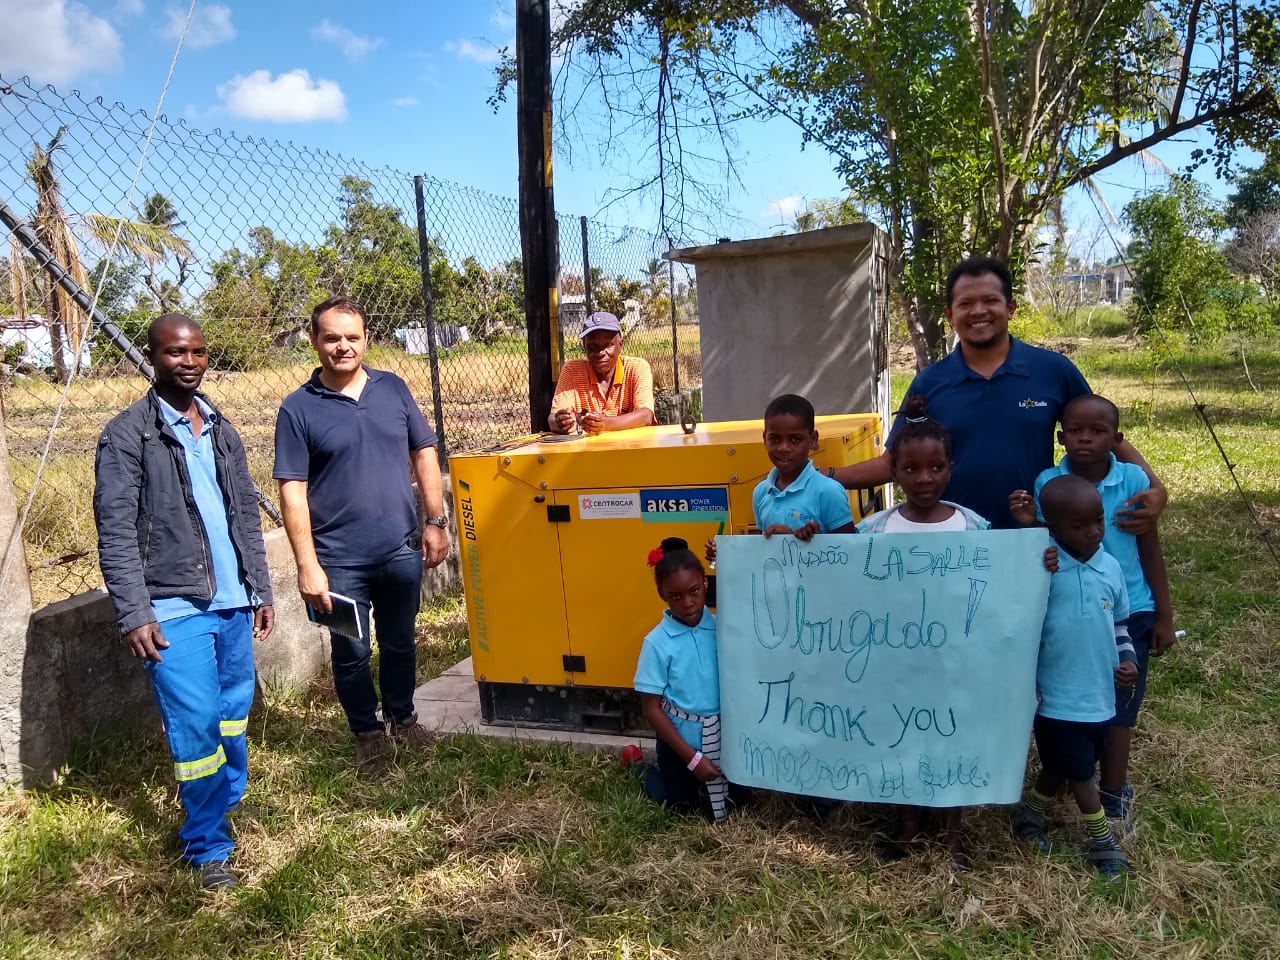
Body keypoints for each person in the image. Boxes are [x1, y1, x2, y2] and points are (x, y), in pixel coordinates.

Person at [93, 313, 275, 892]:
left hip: (233, 601)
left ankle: (227, 802)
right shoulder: (127, 436)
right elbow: (116, 531)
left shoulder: (221, 428)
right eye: (176, 353)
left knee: (232, 714)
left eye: (197, 351)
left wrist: (260, 587)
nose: (189, 362)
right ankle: (207, 845)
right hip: (173, 607)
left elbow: (245, 511)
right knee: (196, 728)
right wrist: (134, 610)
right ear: (151, 356)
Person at [860, 395, 1056, 869]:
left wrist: (1040, 556)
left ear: (951, 468)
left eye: (935, 467)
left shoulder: (972, 526)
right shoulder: (875, 531)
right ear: (894, 471)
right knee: (901, 741)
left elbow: (1000, 584)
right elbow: (845, 585)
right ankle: (906, 828)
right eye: (910, 468)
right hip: (898, 667)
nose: (923, 478)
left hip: (956, 668)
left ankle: (952, 836)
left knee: (951, 742)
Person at [832, 257, 1166, 531]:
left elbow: (1103, 434)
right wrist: (828, 477)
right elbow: (893, 461)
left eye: (990, 300)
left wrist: (1155, 488)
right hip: (954, 533)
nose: (978, 311)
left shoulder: (1052, 370)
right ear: (950, 316)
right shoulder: (929, 383)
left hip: (1037, 531)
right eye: (966, 304)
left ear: (1011, 308)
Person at [273, 295, 449, 774]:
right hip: (338, 563)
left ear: (366, 338)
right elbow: (292, 491)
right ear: (313, 341)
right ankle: (367, 733)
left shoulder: (393, 389)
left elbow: (425, 454)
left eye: (352, 337)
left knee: (400, 642)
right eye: (331, 337)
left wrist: (435, 521)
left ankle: (402, 718)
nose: (342, 346)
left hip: (400, 551)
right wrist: (307, 565)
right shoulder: (297, 410)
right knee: (349, 651)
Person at [1009, 394, 1175, 841]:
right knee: (1066, 698)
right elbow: (1044, 545)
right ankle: (1060, 779)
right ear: (1061, 437)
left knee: (1120, 705)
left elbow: (1149, 547)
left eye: (1098, 431)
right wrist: (1027, 524)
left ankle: (1115, 791)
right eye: (1076, 431)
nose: (1085, 438)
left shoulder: (1133, 480)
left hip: (1129, 609)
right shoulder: (1049, 480)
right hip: (1067, 611)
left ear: (1117, 440)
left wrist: (1164, 611)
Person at [1011, 474, 1137, 881]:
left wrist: (1128, 659)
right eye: (1078, 526)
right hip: (1055, 698)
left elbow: (1119, 623)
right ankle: (1104, 844)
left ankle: (1029, 820)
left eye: (1097, 521)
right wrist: (1032, 540)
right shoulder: (1044, 564)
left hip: (1100, 694)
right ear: (1053, 525)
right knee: (1082, 776)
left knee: (1058, 767)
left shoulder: (1111, 567)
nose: (1092, 532)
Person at [633, 537, 749, 821]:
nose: (687, 603)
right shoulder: (657, 643)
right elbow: (651, 707)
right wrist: (693, 759)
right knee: (679, 809)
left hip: (724, 737)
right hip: (680, 744)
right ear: (661, 593)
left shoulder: (724, 627)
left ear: (706, 584)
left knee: (740, 805)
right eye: (675, 596)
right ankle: (638, 765)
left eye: (694, 591)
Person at [705, 393, 856, 563]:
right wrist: (724, 553)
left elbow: (849, 556)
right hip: (777, 587)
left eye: (795, 439)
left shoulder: (829, 491)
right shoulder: (761, 492)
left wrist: (805, 542)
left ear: (813, 440)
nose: (784, 448)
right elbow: (762, 551)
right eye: (775, 439)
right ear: (765, 439)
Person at [547, 311, 657, 435]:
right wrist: (561, 421)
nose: (600, 353)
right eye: (593, 347)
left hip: (631, 449)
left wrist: (605, 424)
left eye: (607, 345)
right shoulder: (572, 370)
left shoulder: (636, 368)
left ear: (620, 345)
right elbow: (552, 419)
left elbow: (646, 415)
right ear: (585, 347)